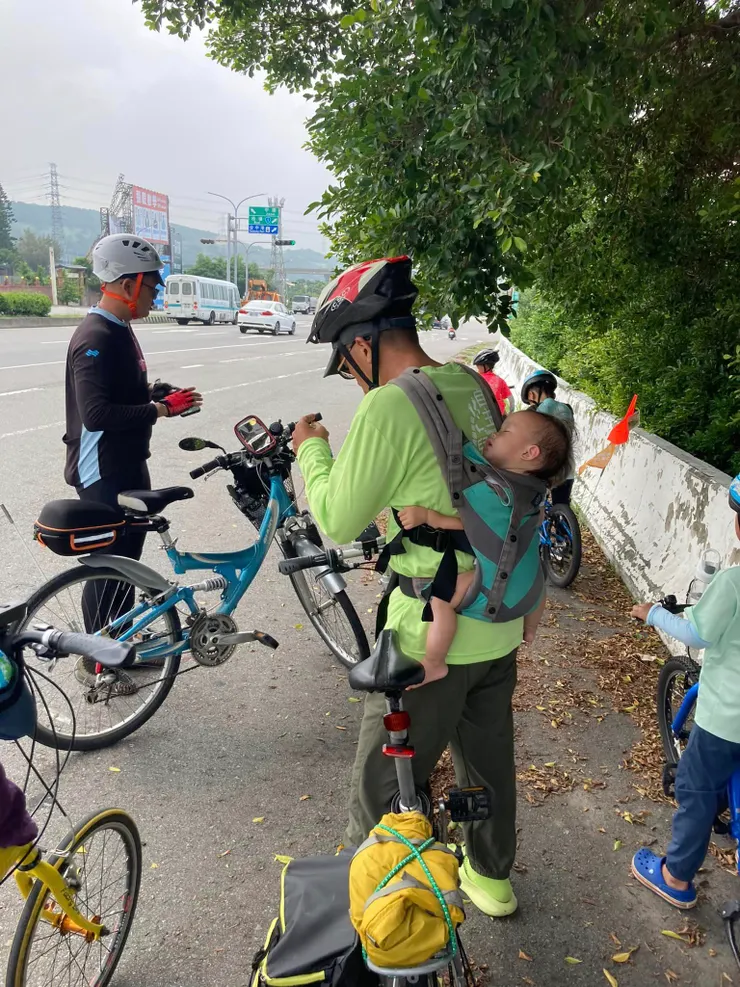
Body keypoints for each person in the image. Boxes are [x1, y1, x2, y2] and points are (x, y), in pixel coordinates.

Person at [293, 256, 526, 918]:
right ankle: (492, 878)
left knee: (379, 781)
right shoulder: (474, 385)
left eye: (344, 364)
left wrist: (311, 447)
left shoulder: (388, 405)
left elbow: (336, 516)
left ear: (362, 344)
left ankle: (358, 920)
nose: (348, 376)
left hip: (432, 633)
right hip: (498, 611)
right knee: (487, 758)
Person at [63, 234, 202, 681]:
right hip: (101, 469)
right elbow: (96, 413)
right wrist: (158, 409)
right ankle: (97, 661)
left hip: (126, 461)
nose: (156, 293)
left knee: (127, 562)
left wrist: (156, 396)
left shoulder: (120, 329)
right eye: (151, 286)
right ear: (126, 284)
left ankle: (118, 644)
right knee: (108, 566)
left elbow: (121, 394)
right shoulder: (95, 337)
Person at [629, 474, 740, 909]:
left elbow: (695, 633)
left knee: (695, 789)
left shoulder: (732, 583)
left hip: (726, 719)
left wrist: (653, 613)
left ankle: (675, 878)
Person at [398, 410, 572, 685]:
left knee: (440, 598)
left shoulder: (499, 493)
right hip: (529, 590)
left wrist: (430, 517)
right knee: (537, 582)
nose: (493, 434)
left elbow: (471, 522)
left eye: (505, 432)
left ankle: (434, 662)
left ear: (529, 453)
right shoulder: (534, 489)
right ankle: (529, 630)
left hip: (494, 588)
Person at [520, 369, 575, 505]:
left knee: (533, 505)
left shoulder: (534, 412)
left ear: (532, 394)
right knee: (561, 505)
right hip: (567, 468)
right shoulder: (568, 409)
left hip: (544, 469)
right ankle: (564, 522)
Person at [471, 348, 514, 416]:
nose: (477, 368)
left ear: (486, 366)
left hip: (480, 414)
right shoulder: (500, 380)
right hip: (498, 415)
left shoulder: (474, 378)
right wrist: (510, 414)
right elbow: (511, 401)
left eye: (478, 365)